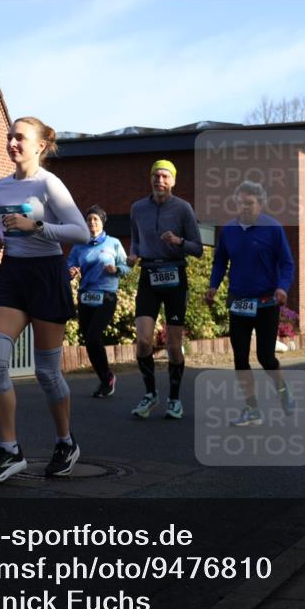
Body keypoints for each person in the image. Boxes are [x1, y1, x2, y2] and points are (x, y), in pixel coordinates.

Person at [0, 117, 89, 484]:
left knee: (46, 372)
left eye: (20, 137)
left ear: (40, 145)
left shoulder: (49, 184)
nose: (12, 143)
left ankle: (65, 442)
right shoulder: (0, 186)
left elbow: (81, 232)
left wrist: (37, 227)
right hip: (13, 275)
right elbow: (3, 226)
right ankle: (10, 451)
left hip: (46, 275)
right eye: (9, 136)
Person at [206, 181, 295, 426]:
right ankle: (251, 408)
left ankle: (282, 390)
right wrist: (214, 286)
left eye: (249, 203)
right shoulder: (229, 230)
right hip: (239, 303)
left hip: (266, 303)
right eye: (240, 202)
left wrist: (282, 287)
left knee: (266, 357)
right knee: (240, 358)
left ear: (261, 203)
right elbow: (220, 262)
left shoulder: (273, 229)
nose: (244, 207)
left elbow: (287, 264)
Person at [126, 160, 204, 419]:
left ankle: (174, 398)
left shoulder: (183, 209)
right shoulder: (138, 208)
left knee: (173, 344)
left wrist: (178, 241)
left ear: (173, 181)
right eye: (155, 176)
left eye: (165, 176)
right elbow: (135, 241)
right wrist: (133, 254)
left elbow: (198, 248)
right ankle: (150, 394)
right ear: (150, 179)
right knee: (144, 341)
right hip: (149, 274)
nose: (159, 180)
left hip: (174, 275)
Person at [68, 205, 130, 398]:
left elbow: (127, 267)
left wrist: (117, 270)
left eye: (96, 219)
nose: (92, 223)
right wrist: (70, 271)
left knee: (94, 336)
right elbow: (69, 264)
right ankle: (106, 379)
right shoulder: (79, 245)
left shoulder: (113, 243)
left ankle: (107, 377)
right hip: (85, 295)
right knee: (89, 340)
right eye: (89, 220)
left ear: (103, 222)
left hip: (106, 295)